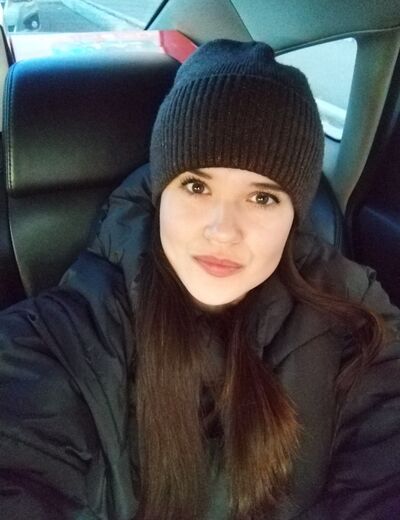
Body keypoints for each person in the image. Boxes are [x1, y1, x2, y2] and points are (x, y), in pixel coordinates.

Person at [1, 39, 400, 520]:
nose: (223, 230)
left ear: (294, 216)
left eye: (262, 198)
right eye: (196, 186)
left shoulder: (354, 317)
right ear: (160, 195)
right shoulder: (56, 342)